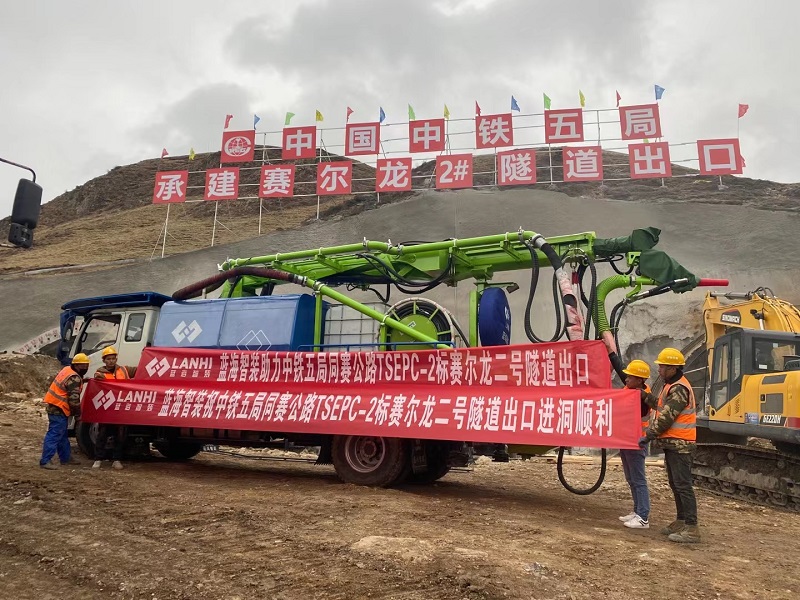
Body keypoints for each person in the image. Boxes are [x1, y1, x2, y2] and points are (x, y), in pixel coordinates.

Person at [640, 347, 701, 544]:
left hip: (681, 444)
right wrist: (644, 396)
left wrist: (649, 435)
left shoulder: (679, 389)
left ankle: (692, 528)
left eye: (662, 367)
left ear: (672, 368)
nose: (659, 370)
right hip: (673, 443)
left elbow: (667, 416)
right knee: (676, 484)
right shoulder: (671, 386)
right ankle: (682, 520)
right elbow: (660, 406)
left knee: (683, 485)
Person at [618, 359, 655, 530]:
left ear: (640, 380)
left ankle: (643, 517)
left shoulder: (641, 397)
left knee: (638, 480)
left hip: (636, 441)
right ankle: (637, 511)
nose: (626, 379)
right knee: (631, 478)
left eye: (630, 377)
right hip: (626, 440)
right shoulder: (633, 391)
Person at [39, 353, 90, 469]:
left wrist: (83, 380)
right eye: (83, 366)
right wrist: (77, 415)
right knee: (55, 434)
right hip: (59, 408)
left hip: (54, 405)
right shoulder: (74, 378)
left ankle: (65, 458)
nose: (85, 368)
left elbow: (68, 382)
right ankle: (45, 460)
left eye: (86, 365)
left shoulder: (67, 369)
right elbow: (74, 399)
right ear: (76, 366)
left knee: (62, 435)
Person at [92, 346, 136, 470]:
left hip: (120, 409)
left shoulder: (124, 370)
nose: (111, 361)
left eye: (113, 358)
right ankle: (98, 459)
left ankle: (116, 459)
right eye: (108, 359)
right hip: (107, 410)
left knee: (120, 435)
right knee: (102, 434)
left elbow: (140, 369)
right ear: (104, 360)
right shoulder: (100, 374)